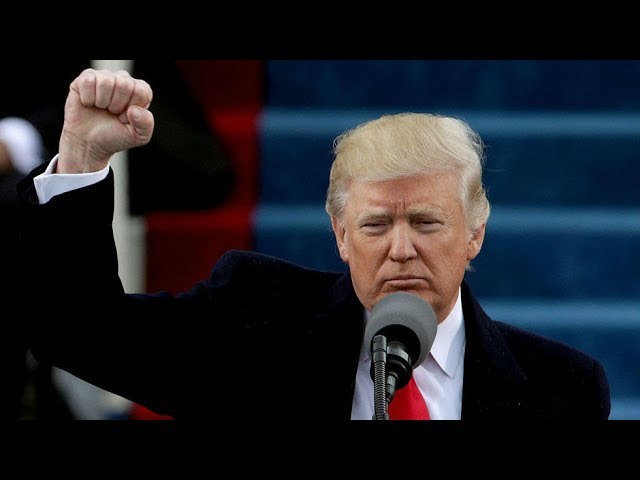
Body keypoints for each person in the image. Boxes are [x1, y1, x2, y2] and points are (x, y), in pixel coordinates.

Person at [16, 68, 610, 421]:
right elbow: (79, 330)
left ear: (475, 233)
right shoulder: (254, 319)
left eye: (426, 223)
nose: (401, 248)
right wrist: (82, 157)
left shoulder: (562, 387)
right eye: (375, 226)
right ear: (340, 235)